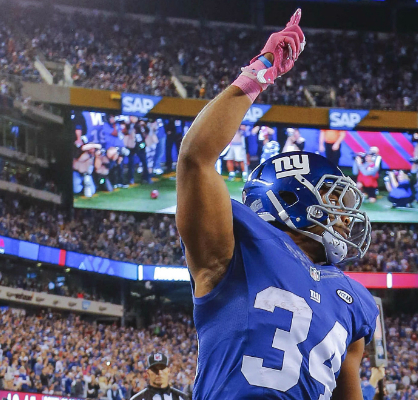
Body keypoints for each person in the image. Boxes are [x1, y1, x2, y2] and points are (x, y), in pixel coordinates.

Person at [176, 9, 378, 400]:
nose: (344, 213)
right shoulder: (238, 245)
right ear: (292, 197)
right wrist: (259, 72)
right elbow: (195, 157)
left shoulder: (356, 300)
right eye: (333, 197)